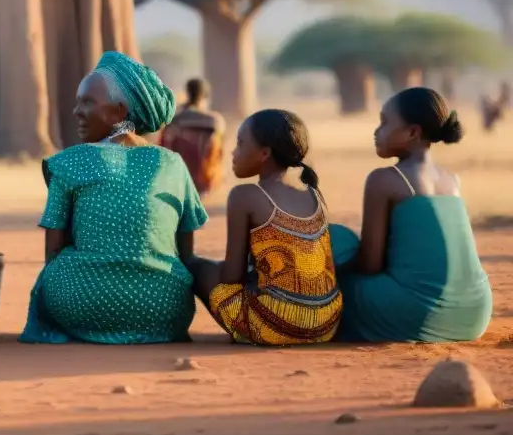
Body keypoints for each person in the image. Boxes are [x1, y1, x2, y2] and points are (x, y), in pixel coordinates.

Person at [19, 51, 208, 345]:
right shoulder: (172, 163)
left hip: (78, 304)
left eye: (87, 102)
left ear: (120, 112)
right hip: (163, 309)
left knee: (55, 273)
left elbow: (53, 253)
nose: (76, 112)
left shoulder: (70, 161)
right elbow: (185, 252)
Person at [331, 88, 492, 343]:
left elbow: (370, 265)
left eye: (384, 122)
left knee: (335, 239)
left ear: (413, 132)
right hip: (475, 314)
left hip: (416, 315)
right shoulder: (451, 180)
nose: (377, 131)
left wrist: (332, 269)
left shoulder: (384, 179)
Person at [187, 109, 341, 346]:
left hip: (275, 326)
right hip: (325, 324)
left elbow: (231, 277)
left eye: (240, 144)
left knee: (196, 267)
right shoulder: (314, 194)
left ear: (264, 153)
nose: (233, 152)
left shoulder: (245, 196)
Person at [160, 77, 225, 197]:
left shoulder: (175, 118)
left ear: (188, 93)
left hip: (179, 173)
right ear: (205, 96)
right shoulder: (214, 120)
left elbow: (164, 145)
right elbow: (219, 152)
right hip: (205, 175)